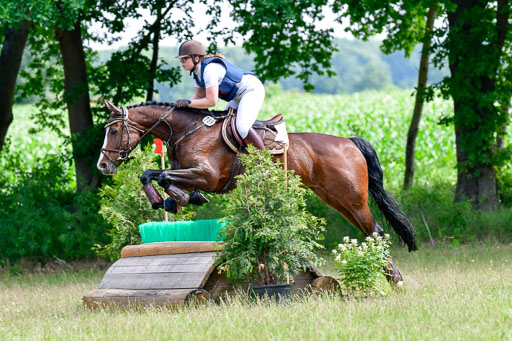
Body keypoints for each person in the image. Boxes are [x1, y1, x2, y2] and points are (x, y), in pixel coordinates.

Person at [174, 40, 265, 149]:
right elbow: (199, 97)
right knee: (224, 125)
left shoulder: (209, 71)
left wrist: (188, 103)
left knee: (242, 127)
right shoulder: (196, 74)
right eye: (181, 59)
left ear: (196, 58)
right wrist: (184, 107)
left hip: (251, 90)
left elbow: (211, 101)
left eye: (185, 58)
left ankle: (262, 160)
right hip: (237, 97)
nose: (182, 62)